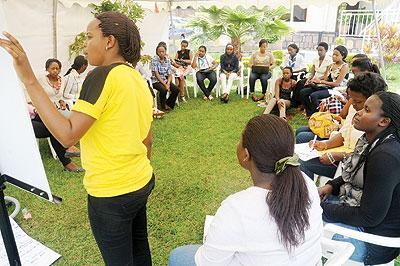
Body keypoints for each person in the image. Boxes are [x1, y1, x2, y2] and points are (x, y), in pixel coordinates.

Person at [1, 11, 155, 265]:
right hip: (141, 180)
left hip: (111, 194)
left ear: (109, 41)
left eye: (89, 36)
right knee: (140, 254)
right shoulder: (136, 78)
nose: (85, 43)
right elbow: (146, 139)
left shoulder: (101, 75)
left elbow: (66, 134)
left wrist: (28, 78)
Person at [168, 115, 323, 266]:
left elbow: (206, 262)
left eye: (240, 140)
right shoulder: (306, 183)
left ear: (246, 155)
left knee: (178, 256)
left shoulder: (236, 209)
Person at [319, 91, 400, 265]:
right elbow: (358, 175)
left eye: (366, 110)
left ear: (384, 121)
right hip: (359, 211)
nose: (358, 112)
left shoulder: (386, 156)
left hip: (372, 241)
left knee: (298, 223)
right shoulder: (370, 141)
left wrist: (318, 208)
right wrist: (331, 187)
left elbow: (369, 217)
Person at [300, 72, 387, 179]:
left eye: (358, 101)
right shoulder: (355, 109)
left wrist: (338, 156)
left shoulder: (378, 124)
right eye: (352, 99)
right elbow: (344, 133)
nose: (353, 104)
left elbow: (368, 158)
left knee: (303, 161)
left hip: (355, 170)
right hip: (343, 157)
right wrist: (326, 145)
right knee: (301, 156)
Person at [39, 58, 80, 157]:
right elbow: (37, 95)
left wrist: (62, 101)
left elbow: (60, 95)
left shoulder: (62, 79)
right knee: (65, 121)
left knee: (72, 118)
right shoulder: (41, 80)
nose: (55, 71)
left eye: (57, 69)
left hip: (59, 107)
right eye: (52, 68)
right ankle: (68, 146)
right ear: (47, 69)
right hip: (47, 109)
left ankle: (68, 144)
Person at [300, 45, 349, 117]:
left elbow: (337, 83)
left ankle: (318, 115)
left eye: (336, 55)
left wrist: (320, 82)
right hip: (328, 87)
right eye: (333, 54)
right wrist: (314, 81)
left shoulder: (344, 66)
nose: (333, 56)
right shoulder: (331, 65)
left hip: (337, 90)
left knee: (314, 95)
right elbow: (325, 78)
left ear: (343, 56)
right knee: (303, 92)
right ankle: (310, 113)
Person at [293, 42, 332, 107]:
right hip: (314, 78)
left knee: (304, 89)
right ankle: (296, 103)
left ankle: (305, 105)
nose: (319, 52)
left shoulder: (329, 61)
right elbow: (312, 72)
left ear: (326, 50)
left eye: (321, 50)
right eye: (318, 50)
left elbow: (326, 76)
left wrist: (315, 80)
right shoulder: (315, 59)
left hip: (321, 80)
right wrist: (309, 79)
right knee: (300, 82)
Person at [151, 44, 180, 111]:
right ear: (157, 52)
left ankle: (168, 104)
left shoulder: (167, 60)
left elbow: (169, 74)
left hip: (165, 79)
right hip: (155, 81)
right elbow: (156, 74)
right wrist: (165, 85)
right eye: (159, 52)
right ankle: (163, 107)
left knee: (176, 89)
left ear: (165, 52)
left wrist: (168, 83)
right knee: (164, 89)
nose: (161, 53)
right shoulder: (154, 60)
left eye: (163, 51)